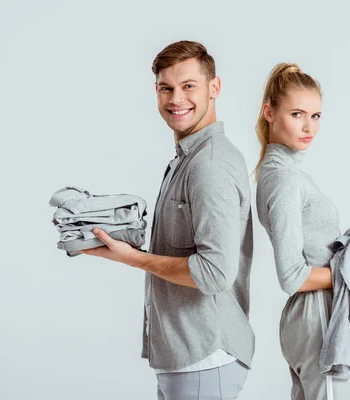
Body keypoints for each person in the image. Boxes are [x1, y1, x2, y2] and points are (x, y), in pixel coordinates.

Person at [82, 40, 254, 400]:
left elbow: (215, 272)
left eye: (188, 86)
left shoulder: (209, 165)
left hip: (204, 356)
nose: (176, 99)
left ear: (214, 88)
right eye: (166, 88)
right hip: (188, 357)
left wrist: (131, 258)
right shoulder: (189, 158)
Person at [254, 63, 350, 400]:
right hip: (316, 316)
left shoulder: (281, 172)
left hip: (312, 316)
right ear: (270, 112)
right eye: (297, 114)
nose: (309, 126)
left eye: (316, 116)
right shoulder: (284, 180)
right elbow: (292, 276)